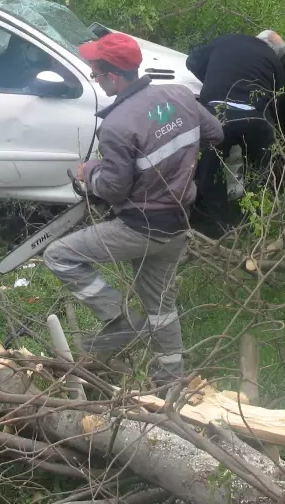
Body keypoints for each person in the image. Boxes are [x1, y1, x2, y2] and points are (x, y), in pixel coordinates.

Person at [44, 32, 223, 385]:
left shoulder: (117, 125)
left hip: (139, 227)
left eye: (96, 73)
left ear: (112, 76)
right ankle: (169, 386)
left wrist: (90, 174)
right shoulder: (180, 95)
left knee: (58, 256)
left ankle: (119, 320)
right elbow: (215, 133)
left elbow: (113, 188)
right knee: (161, 310)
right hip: (176, 225)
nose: (95, 78)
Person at [186, 30, 285, 233]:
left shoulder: (228, 39)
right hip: (256, 120)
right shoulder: (274, 63)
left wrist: (213, 78)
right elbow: (277, 92)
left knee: (210, 168)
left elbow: (192, 62)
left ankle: (214, 223)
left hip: (219, 113)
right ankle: (254, 220)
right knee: (259, 169)